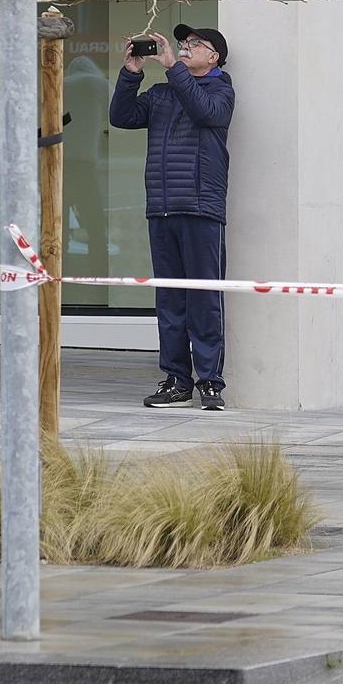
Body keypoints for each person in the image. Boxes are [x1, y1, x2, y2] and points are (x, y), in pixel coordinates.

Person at [110, 23, 234, 412]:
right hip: (161, 207)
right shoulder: (163, 93)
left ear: (213, 57)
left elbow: (204, 111)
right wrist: (132, 72)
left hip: (200, 207)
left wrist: (171, 67)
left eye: (194, 44)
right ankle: (176, 380)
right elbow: (122, 116)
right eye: (182, 44)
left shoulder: (220, 90)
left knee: (205, 299)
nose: (183, 48)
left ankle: (210, 382)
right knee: (170, 301)